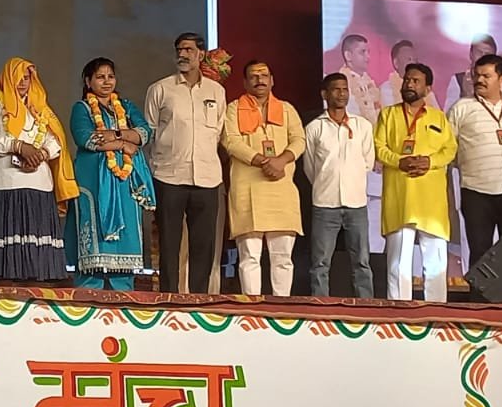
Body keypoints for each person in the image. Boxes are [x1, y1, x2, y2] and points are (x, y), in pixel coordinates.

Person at [0, 57, 76, 285]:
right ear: (7, 79)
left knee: (38, 268)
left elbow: (56, 140)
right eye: (18, 78)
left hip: (37, 184)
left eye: (27, 78)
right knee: (5, 270)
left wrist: (40, 154)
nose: (23, 82)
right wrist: (19, 146)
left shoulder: (40, 109)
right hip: (5, 184)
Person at [143, 33, 226, 294]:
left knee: (204, 245)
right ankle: (169, 297)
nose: (182, 54)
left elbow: (218, 131)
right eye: (179, 49)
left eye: (189, 49)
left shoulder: (216, 91)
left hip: (207, 177)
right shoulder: (160, 89)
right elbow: (149, 132)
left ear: (201, 54)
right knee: (169, 245)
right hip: (169, 176)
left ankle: (199, 299)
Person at [67, 57, 155, 291]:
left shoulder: (125, 106)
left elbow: (144, 132)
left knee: (127, 227)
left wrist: (114, 136)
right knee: (94, 228)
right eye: (100, 77)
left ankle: (123, 289)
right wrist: (124, 143)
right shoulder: (82, 108)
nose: (106, 81)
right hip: (93, 180)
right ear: (88, 81)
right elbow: (87, 138)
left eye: (110, 76)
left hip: (125, 180)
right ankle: (89, 290)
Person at [374, 63, 457, 302]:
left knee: (436, 262)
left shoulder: (438, 117)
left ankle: (436, 313)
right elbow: (379, 147)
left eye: (416, 81)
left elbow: (450, 149)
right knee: (398, 263)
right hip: (400, 197)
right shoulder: (388, 114)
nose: (409, 84)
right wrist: (399, 161)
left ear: (428, 88)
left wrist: (429, 161)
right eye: (407, 80)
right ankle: (399, 312)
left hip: (432, 201)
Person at [221, 61, 305, 296]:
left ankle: (282, 307)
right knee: (249, 257)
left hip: (281, 189)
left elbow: (299, 140)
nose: (260, 80)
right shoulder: (234, 108)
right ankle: (252, 308)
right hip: (248, 189)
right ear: (245, 82)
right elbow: (231, 141)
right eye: (254, 76)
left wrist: (281, 160)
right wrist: (262, 161)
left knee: (283, 258)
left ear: (272, 80)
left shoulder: (286, 109)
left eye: (264, 75)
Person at [447, 54, 502, 267]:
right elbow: (448, 150)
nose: (479, 80)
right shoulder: (461, 108)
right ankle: (478, 291)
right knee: (480, 252)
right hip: (477, 192)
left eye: (486, 76)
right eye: (477, 75)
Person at [304, 73, 375, 298]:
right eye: (336, 89)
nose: (342, 94)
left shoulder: (362, 125)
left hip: (356, 204)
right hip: (325, 204)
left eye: (345, 89)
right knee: (320, 263)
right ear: (324, 94)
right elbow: (310, 168)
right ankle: (321, 307)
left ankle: (366, 307)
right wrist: (328, 183)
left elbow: (368, 162)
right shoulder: (315, 127)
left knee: (362, 262)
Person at [382, 40, 438, 111]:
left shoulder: (425, 89)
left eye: (415, 60)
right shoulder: (387, 89)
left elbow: (437, 114)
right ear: (396, 63)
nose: (413, 63)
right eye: (409, 59)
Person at [338, 34, 381, 124]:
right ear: (348, 56)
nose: (368, 57)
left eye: (368, 52)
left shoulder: (369, 82)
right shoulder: (342, 84)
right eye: (362, 52)